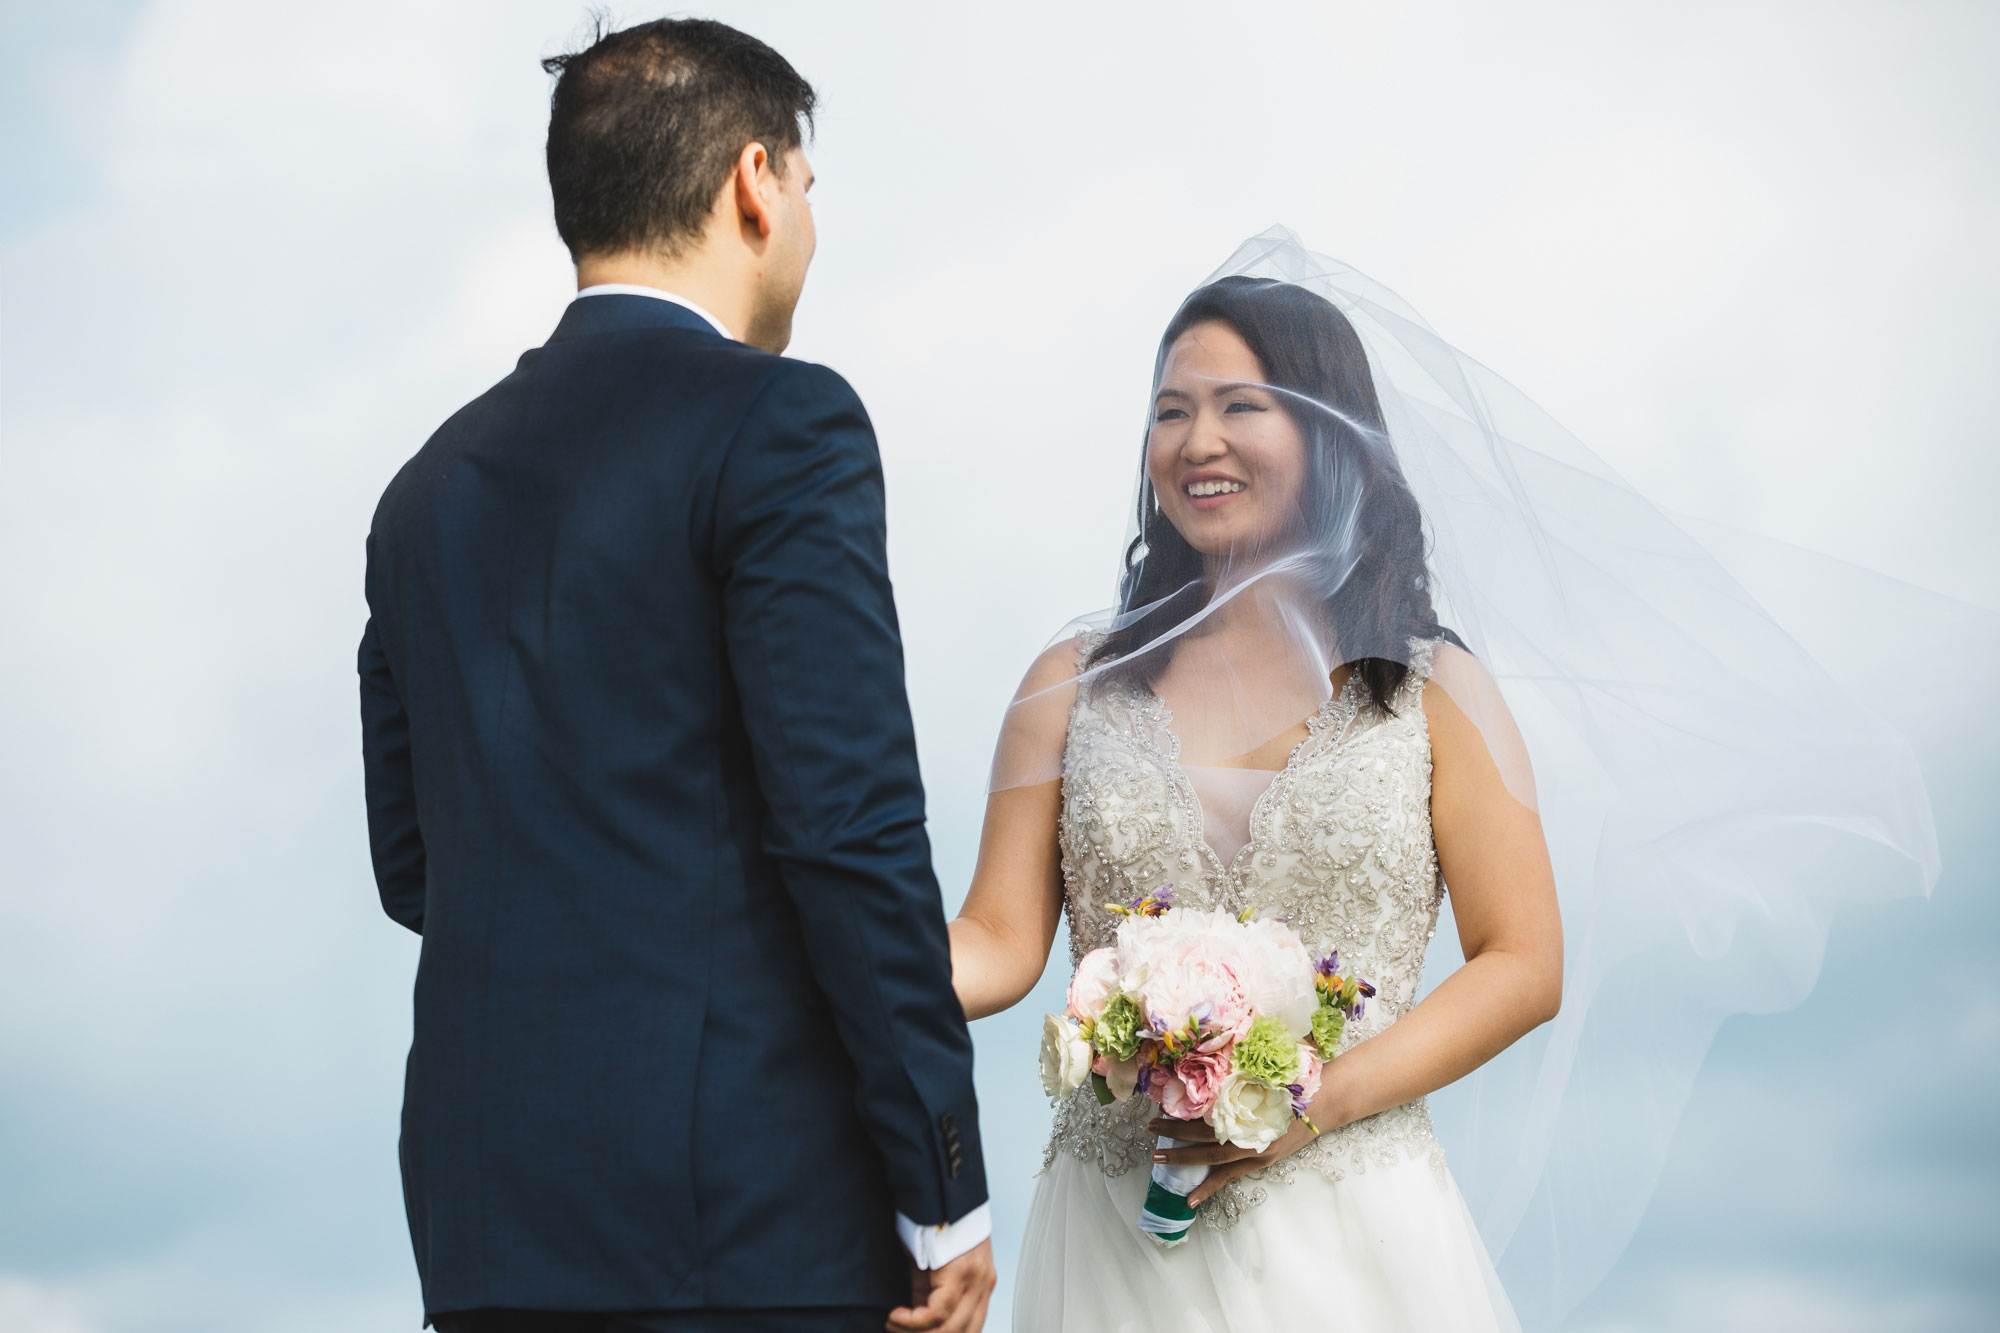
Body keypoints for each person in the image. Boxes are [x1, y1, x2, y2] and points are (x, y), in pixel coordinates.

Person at [357, 18, 995, 1333]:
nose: (809, 220)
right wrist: (947, 1191)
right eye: (809, 188)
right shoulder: (784, 425)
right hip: (744, 1222)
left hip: (486, 1227)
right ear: (754, 183)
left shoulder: (425, 492)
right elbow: (850, 832)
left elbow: (414, 863)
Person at [948, 274, 1563, 1330]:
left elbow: (1523, 961)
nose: (1198, 442)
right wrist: (835, 952)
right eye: (1170, 410)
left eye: (1240, 406)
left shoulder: (1432, 688)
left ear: (1327, 433)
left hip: (1357, 1229)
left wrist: (1311, 1108)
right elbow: (999, 938)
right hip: (1117, 1237)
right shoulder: (1073, 680)